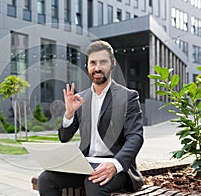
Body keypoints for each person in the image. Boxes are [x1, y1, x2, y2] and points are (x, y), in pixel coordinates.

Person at [37, 40, 144, 196]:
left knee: (94, 185)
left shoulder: (128, 96)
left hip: (115, 166)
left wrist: (115, 164)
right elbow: (64, 138)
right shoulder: (81, 98)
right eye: (93, 63)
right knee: (45, 179)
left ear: (113, 63)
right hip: (85, 164)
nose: (98, 68)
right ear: (87, 65)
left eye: (103, 62)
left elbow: (135, 137)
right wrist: (69, 114)